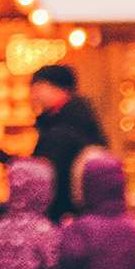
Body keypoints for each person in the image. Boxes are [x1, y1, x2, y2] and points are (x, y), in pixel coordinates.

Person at [28, 64, 106, 222]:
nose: (33, 95)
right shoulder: (70, 119)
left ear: (55, 88)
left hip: (66, 214)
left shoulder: (64, 128)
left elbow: (53, 173)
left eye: (37, 88)